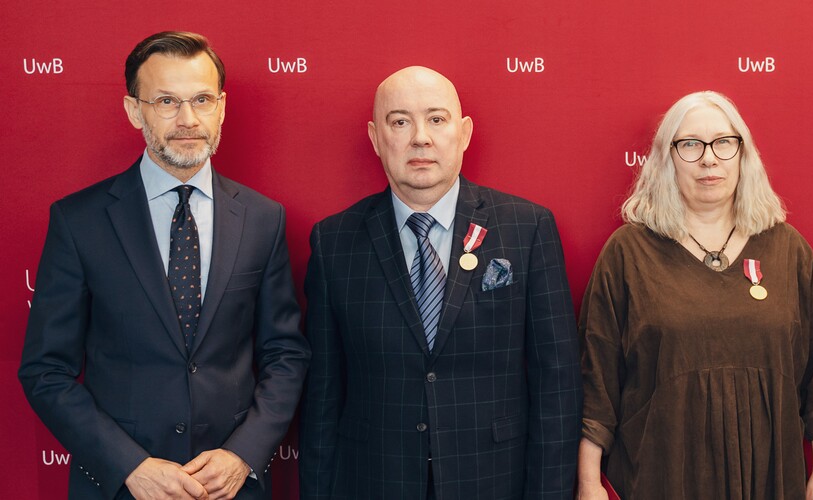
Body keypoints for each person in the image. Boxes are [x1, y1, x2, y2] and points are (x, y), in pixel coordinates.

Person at [18, 31, 311, 500]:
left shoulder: (263, 218)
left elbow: (285, 354)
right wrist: (128, 466)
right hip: (120, 489)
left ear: (221, 107)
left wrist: (243, 454)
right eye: (167, 102)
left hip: (231, 488)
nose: (188, 119)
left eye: (202, 100)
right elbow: (46, 370)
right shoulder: (79, 222)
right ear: (135, 110)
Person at [299, 66, 582, 499]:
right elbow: (322, 396)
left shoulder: (527, 229)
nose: (420, 138)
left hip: (494, 482)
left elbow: (556, 384)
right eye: (400, 122)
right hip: (374, 482)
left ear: (463, 133)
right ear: (375, 138)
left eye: (436, 119)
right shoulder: (334, 241)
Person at [576, 91, 813, 500]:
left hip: (771, 478)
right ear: (667, 159)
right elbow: (596, 384)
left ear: (744, 155)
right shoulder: (627, 253)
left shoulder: (788, 249)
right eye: (691, 144)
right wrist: (589, 483)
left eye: (724, 142)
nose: (709, 159)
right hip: (660, 476)